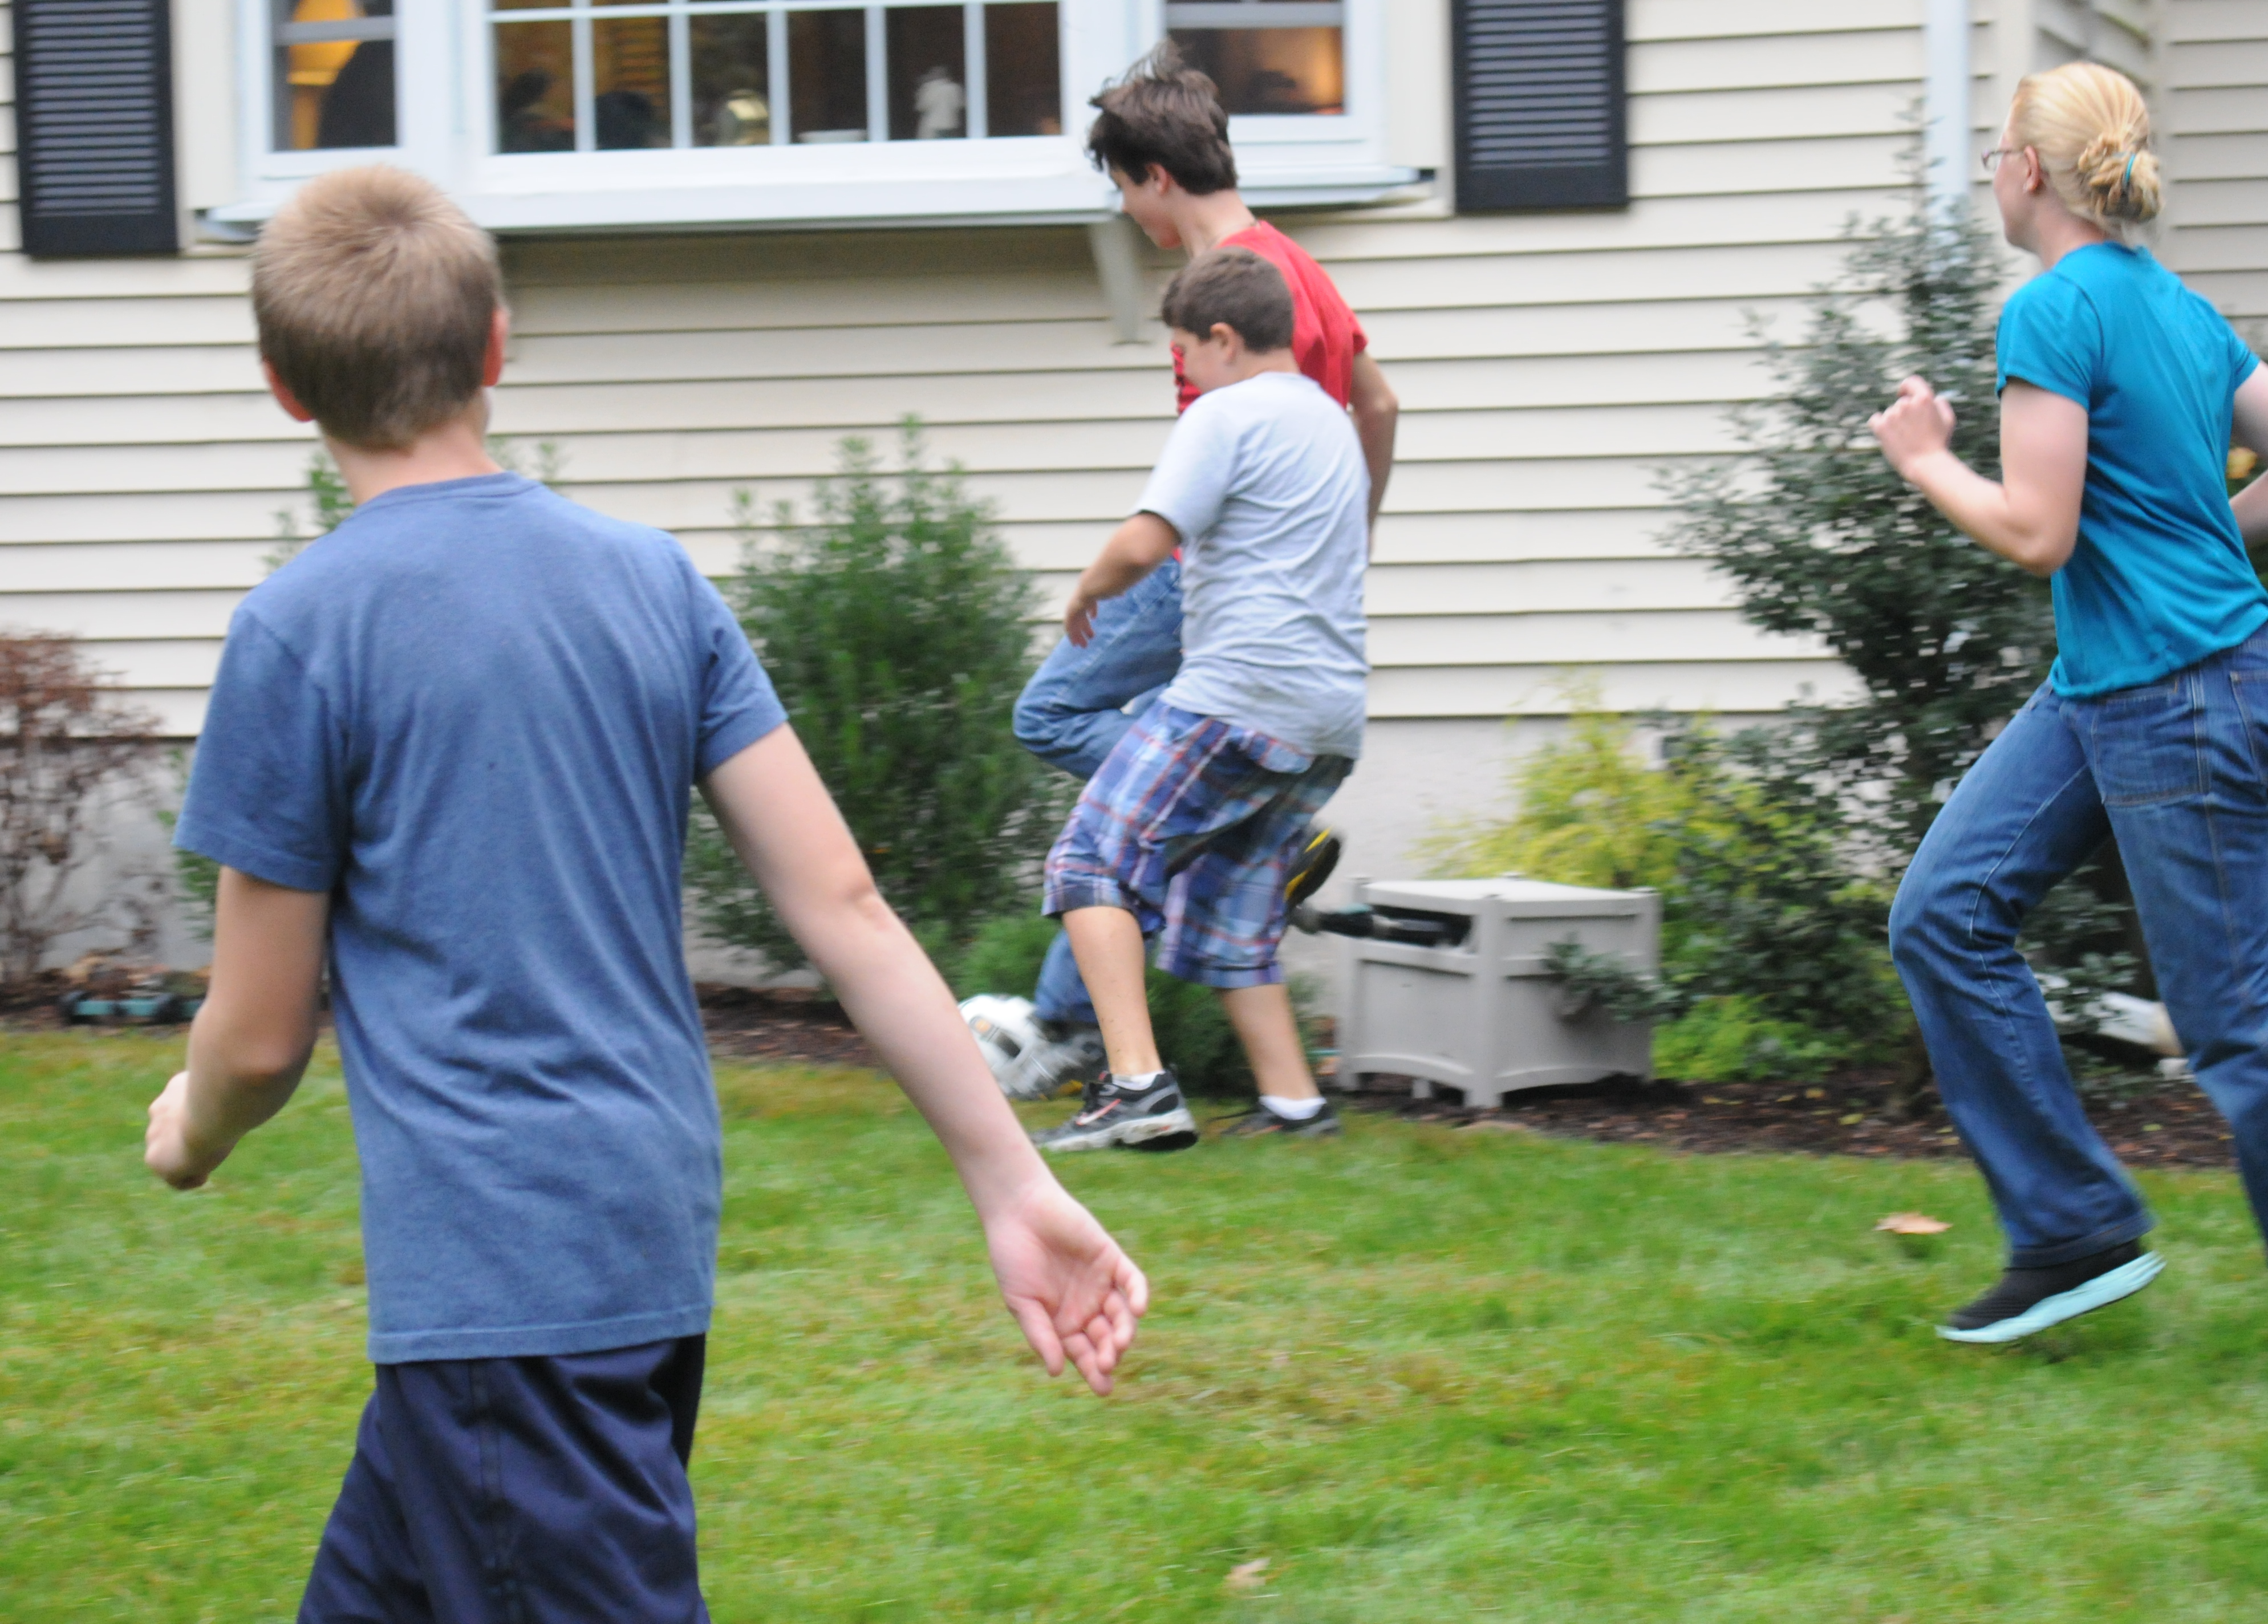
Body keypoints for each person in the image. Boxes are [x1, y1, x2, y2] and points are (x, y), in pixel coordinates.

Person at [143, 166, 1148, 1619]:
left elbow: (253, 1036)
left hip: (507, 1291)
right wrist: (1011, 1175)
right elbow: (846, 906)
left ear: (283, 385)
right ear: (496, 344)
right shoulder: (652, 583)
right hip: (631, 1240)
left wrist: (190, 1127)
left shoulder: (298, 633)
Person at [1872, 62, 2268, 1363]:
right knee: (1943, 914)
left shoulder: (2053, 307)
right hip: (2118, 683)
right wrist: (2197, 542)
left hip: (2174, 692)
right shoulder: (2176, 308)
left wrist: (1924, 460)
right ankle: (2072, 1229)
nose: (1990, 173)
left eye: (1995, 153)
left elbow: (2036, 531)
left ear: (2028, 170)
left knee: (2230, 1006)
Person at [992, 44, 1398, 1093]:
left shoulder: (1227, 294)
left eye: (1124, 189)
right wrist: (1348, 537)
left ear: (1158, 177)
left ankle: (1240, 834)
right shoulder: (1298, 267)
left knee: (1055, 718)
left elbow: (1189, 498)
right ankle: (1077, 1021)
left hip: (1215, 571)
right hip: (1296, 588)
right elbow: (1380, 403)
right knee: (1154, 800)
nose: (1127, 211)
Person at [1029, 246, 1370, 1153]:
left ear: (1222, 338)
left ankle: (1137, 1091)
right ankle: (1297, 1107)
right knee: (1230, 911)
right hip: (1330, 718)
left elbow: (1148, 542)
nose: (1184, 372)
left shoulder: (1227, 412)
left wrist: (1087, 589)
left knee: (1090, 862)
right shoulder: (1330, 422)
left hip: (1239, 697)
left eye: (1183, 353)